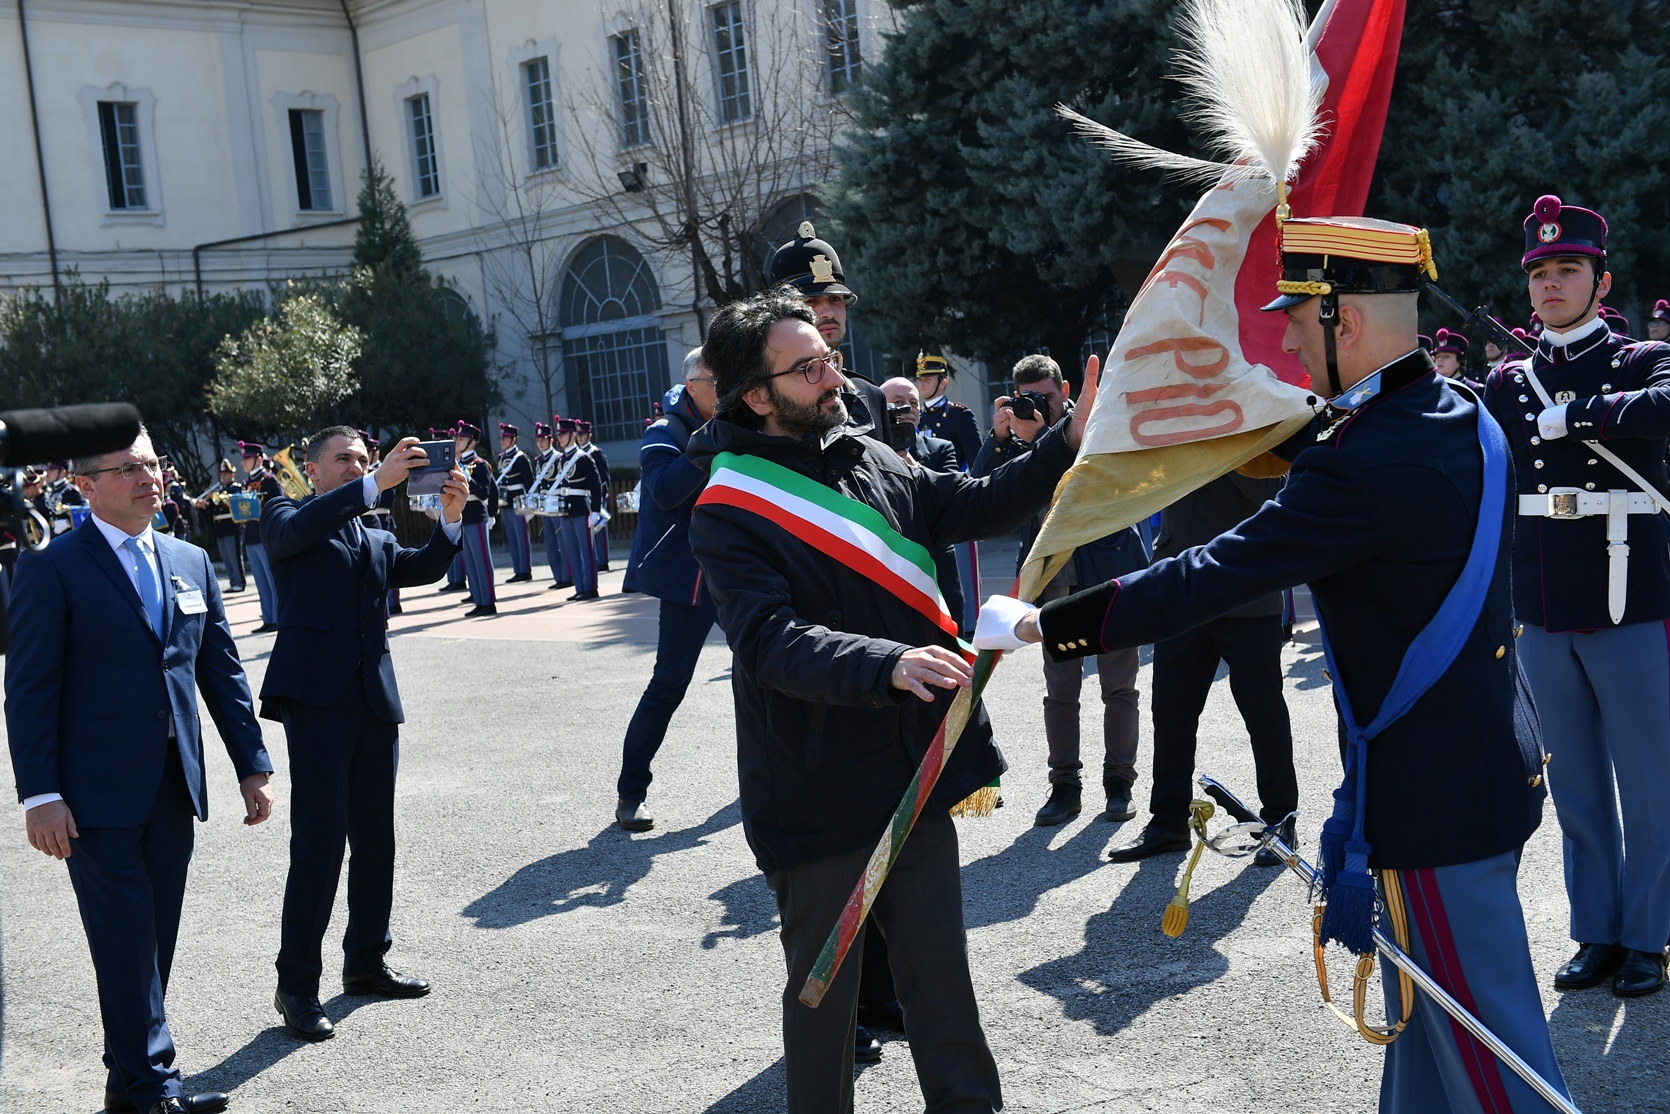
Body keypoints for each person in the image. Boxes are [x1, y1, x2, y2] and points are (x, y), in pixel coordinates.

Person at [981, 214, 1567, 1114]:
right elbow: (1318, 438)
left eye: (1301, 313)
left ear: (1349, 321)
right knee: (1427, 1053)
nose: (1288, 332)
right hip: (1481, 767)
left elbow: (1208, 573)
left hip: (1431, 805)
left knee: (1497, 1073)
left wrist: (1041, 628)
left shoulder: (1361, 464)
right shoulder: (1456, 413)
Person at [686, 288, 1096, 1111]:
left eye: (830, 358)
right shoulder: (727, 509)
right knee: (825, 1004)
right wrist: (888, 663)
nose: (833, 376)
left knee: (943, 989)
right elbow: (768, 641)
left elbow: (964, 505)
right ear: (757, 397)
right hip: (817, 784)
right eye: (807, 369)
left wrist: (1065, 445)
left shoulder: (867, 450)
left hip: (915, 765)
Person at [7, 428, 275, 1114]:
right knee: (126, 940)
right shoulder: (52, 566)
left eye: (152, 465)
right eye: (127, 468)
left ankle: (126, 1085)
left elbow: (220, 670)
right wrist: (40, 794)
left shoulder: (188, 558)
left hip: (172, 786)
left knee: (152, 941)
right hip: (90, 797)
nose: (147, 477)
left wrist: (251, 763)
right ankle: (156, 1089)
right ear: (87, 486)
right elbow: (30, 688)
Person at [1483, 194, 1670, 999]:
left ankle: (1649, 937)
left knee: (1650, 779)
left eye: (1569, 269)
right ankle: (1596, 929)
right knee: (1577, 784)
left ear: (1601, 279)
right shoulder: (1509, 379)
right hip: (1543, 599)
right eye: (1541, 272)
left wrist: (1584, 414)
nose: (1552, 283)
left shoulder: (1637, 364)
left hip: (1632, 595)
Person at [259, 427, 467, 1042]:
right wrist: (376, 481)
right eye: (343, 460)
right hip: (317, 702)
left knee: (377, 839)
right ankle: (296, 986)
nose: (356, 467)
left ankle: (366, 962)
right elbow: (297, 531)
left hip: (374, 702)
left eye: (361, 458)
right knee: (319, 845)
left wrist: (450, 523)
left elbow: (423, 568)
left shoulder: (374, 533)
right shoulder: (284, 512)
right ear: (312, 469)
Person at [971, 354, 1148, 826]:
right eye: (1028, 397)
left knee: (1119, 688)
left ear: (1065, 389)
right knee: (1061, 692)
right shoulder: (1021, 438)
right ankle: (1064, 787)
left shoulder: (1096, 422)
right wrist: (1000, 437)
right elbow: (978, 490)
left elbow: (1098, 481)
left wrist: (1042, 441)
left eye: (1046, 397)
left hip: (1108, 574)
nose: (1039, 406)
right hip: (1056, 584)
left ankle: (1119, 784)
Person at [1106, 471, 1299, 865]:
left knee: (1263, 713)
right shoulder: (1174, 420)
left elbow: (1272, 490)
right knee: (1171, 713)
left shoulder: (1257, 418)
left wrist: (1223, 447)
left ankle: (1281, 820)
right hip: (1181, 588)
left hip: (1247, 588)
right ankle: (1168, 822)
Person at [615, 349, 718, 832]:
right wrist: (712, 442)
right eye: (719, 381)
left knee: (771, 672)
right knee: (668, 686)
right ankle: (630, 793)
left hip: (738, 573)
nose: (727, 390)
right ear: (694, 384)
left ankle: (784, 779)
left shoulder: (735, 422)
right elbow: (664, 492)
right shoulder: (665, 431)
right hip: (688, 582)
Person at [763, 220, 892, 445]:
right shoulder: (765, 397)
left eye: (835, 299)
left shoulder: (870, 395)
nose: (828, 312)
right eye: (811, 300)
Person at [881, 376, 965, 624]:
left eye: (914, 403)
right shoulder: (863, 450)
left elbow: (952, 500)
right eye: (897, 402)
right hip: (890, 564)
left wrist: (913, 466)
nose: (907, 409)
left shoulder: (940, 448)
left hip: (937, 565)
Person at [915, 353, 984, 637]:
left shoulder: (958, 415)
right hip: (922, 507)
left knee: (961, 576)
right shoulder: (913, 415)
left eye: (928, 378)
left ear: (943, 383)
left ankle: (970, 628)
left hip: (953, 503)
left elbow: (978, 459)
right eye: (920, 378)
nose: (922, 384)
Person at [550, 418, 603, 601]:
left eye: (563, 435)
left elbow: (596, 485)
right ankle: (580, 587)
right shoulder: (560, 459)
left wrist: (595, 510)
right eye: (559, 435)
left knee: (586, 550)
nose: (560, 439)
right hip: (566, 510)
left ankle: (590, 587)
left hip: (582, 508)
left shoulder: (583, 458)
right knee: (572, 549)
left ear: (573, 434)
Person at [452, 420, 499, 617]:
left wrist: (466, 477)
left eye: (462, 438)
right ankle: (479, 601)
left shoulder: (479, 465)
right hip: (462, 515)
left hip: (476, 514)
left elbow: (485, 492)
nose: (457, 440)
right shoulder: (456, 463)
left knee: (482, 561)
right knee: (470, 562)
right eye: (457, 437)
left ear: (472, 443)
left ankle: (488, 602)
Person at [239, 442, 284, 633]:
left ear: (258, 458)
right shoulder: (246, 483)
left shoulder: (270, 481)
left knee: (272, 580)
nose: (243, 463)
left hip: (265, 535)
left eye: (247, 459)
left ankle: (278, 618)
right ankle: (268, 618)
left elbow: (278, 505)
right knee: (260, 581)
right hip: (251, 536)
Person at [526, 421, 570, 589]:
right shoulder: (538, 461)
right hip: (545, 505)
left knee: (563, 543)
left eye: (543, 439)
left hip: (557, 503)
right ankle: (559, 577)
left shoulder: (559, 458)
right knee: (551, 544)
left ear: (551, 440)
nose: (540, 443)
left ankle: (568, 577)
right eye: (538, 440)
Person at [195, 460, 246, 592]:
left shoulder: (235, 488)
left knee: (235, 557)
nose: (223, 476)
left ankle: (239, 582)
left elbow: (232, 501)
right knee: (226, 558)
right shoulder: (220, 490)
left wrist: (215, 496)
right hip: (220, 529)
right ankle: (233, 581)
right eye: (222, 473)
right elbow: (212, 507)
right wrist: (204, 505)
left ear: (232, 475)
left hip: (231, 527)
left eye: (226, 473)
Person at [496, 422, 535, 583]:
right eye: (502, 438)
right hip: (505, 502)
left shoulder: (520, 458)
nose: (502, 440)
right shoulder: (502, 457)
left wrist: (529, 505)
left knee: (521, 537)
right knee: (512, 537)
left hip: (518, 501)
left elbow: (529, 483)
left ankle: (525, 570)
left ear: (514, 440)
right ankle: (517, 569)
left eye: (506, 438)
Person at [576, 420, 613, 572]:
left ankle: (603, 561)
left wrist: (601, 497)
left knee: (599, 529)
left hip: (596, 495)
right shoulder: (578, 455)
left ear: (589, 435)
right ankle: (595, 560)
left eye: (583, 434)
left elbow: (604, 478)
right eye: (578, 434)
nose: (580, 437)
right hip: (584, 496)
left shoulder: (596, 453)